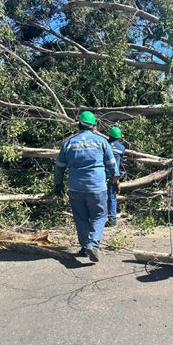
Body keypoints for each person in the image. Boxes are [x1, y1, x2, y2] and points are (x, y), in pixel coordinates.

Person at [54, 111, 116, 262]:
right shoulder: (101, 142)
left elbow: (59, 166)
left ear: (78, 125)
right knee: (100, 216)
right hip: (96, 186)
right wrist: (114, 179)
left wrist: (58, 184)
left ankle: (84, 247)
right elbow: (112, 165)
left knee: (81, 218)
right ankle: (92, 245)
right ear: (94, 126)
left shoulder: (68, 143)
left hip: (75, 187)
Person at [106, 126, 125, 227]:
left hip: (101, 174)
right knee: (112, 197)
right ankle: (112, 219)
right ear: (119, 137)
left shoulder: (104, 144)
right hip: (114, 175)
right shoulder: (121, 148)